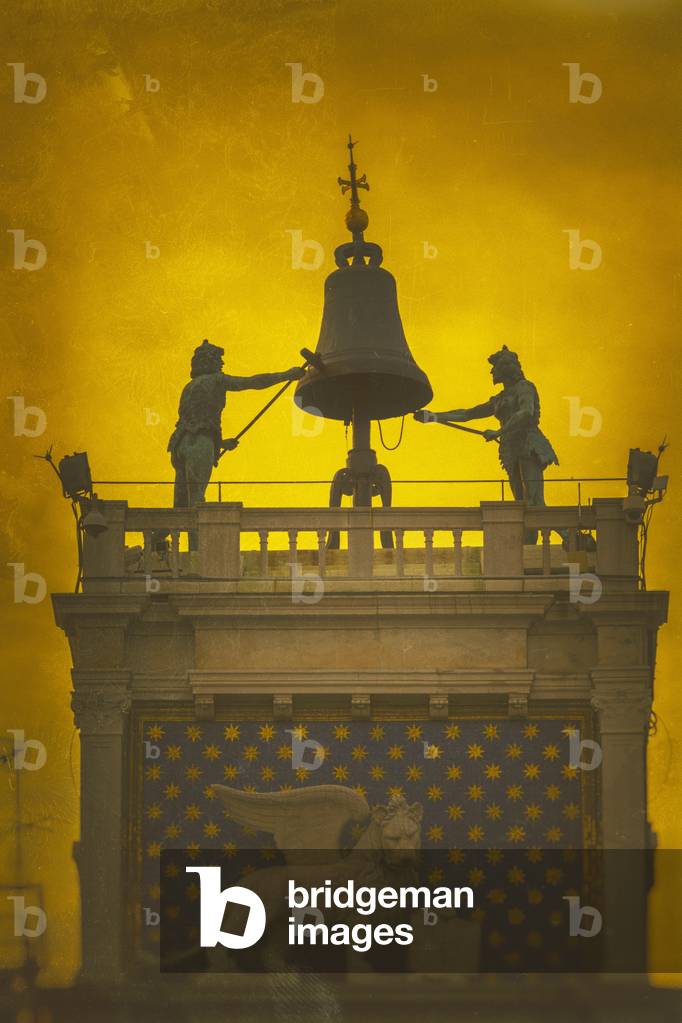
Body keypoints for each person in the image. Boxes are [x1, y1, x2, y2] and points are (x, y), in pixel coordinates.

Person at [414, 345, 563, 544]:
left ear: (508, 368)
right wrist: (433, 417)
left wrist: (499, 432)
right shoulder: (499, 399)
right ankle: (529, 547)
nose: (493, 372)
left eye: (498, 367)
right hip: (511, 450)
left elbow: (526, 412)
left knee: (534, 502)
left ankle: (572, 536)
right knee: (520, 505)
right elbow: (468, 413)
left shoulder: (525, 387)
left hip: (529, 445)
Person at [162, 339, 304, 546]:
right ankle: (196, 551)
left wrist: (220, 443)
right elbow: (252, 383)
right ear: (210, 362)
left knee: (180, 505)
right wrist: (286, 375)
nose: (221, 365)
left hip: (179, 444)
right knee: (197, 501)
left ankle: (159, 540)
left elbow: (195, 420)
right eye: (219, 360)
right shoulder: (216, 380)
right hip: (200, 442)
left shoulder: (189, 387)